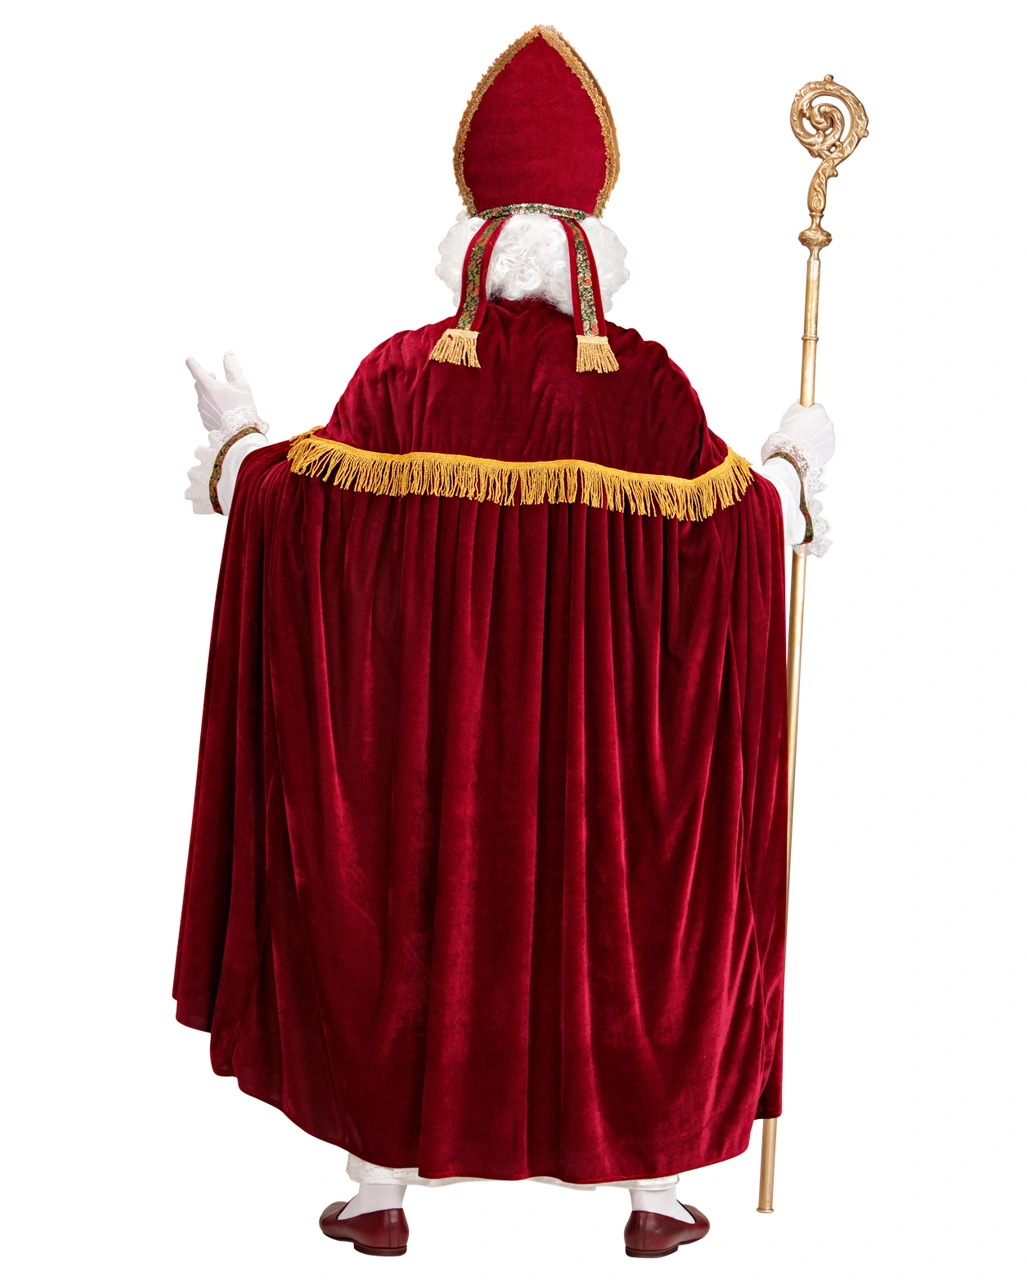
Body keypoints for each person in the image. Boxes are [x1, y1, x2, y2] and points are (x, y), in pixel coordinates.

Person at [176, 25, 835, 1260]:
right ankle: (649, 1189)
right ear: (590, 245)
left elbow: (300, 510)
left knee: (407, 904)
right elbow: (737, 530)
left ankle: (382, 1184)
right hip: (597, 781)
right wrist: (795, 465)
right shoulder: (646, 392)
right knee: (627, 916)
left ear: (474, 235)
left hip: (435, 768)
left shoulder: (401, 380)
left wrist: (235, 450)